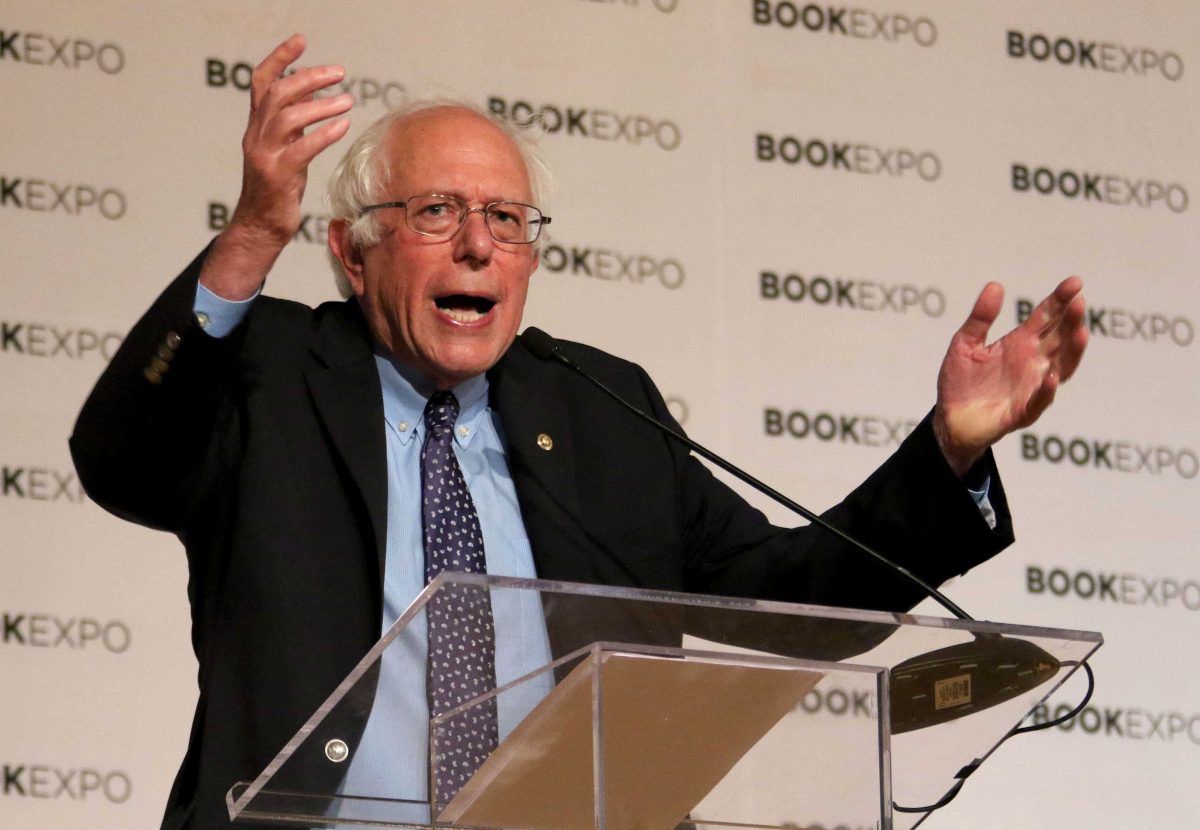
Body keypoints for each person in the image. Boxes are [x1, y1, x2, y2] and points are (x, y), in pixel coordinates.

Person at [70, 34, 1086, 830]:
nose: (479, 242)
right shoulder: (272, 371)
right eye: (436, 211)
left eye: (508, 221)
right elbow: (119, 457)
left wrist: (951, 448)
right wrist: (251, 231)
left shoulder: (597, 405)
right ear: (349, 249)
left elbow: (794, 607)